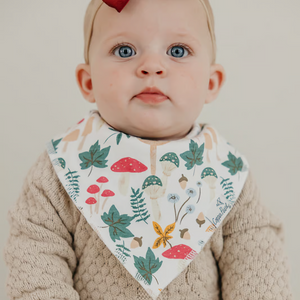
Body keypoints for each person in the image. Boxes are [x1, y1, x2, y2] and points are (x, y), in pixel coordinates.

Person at [3, 0, 294, 299]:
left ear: (211, 82)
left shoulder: (227, 173)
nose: (152, 66)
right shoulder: (62, 168)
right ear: (88, 81)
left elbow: (258, 266)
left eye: (177, 51)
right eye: (125, 51)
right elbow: (35, 265)